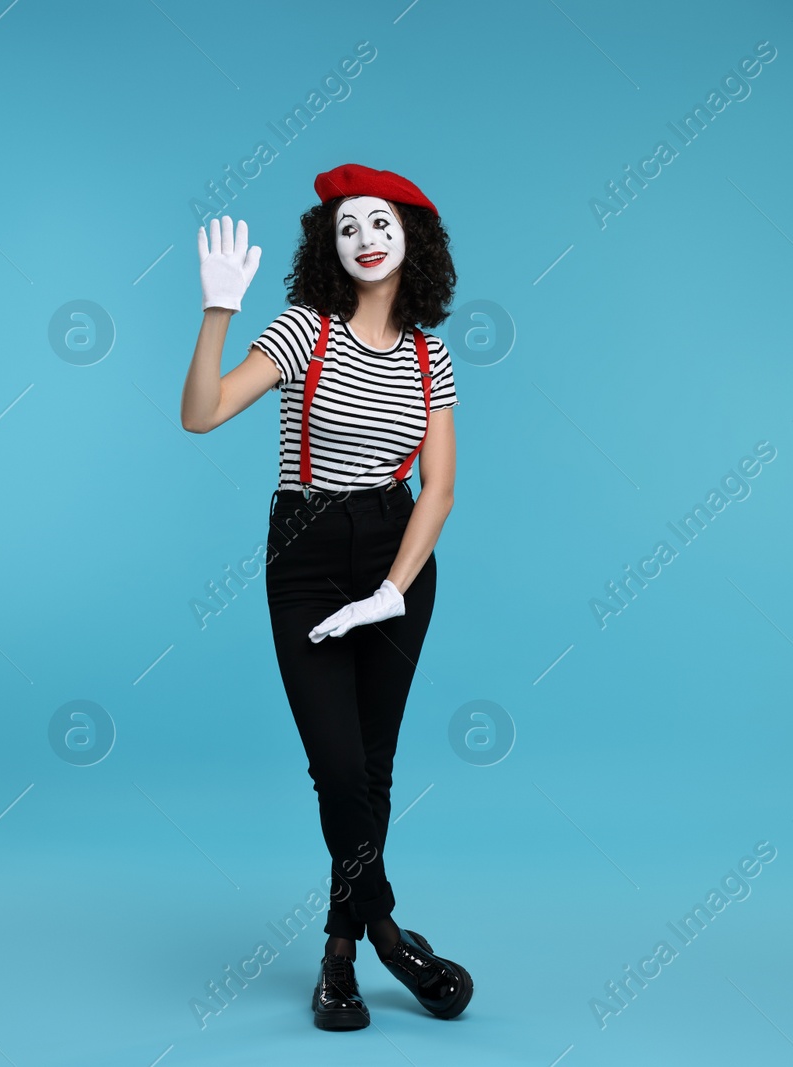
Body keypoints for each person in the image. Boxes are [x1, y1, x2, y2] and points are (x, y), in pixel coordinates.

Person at [179, 163, 473, 1031]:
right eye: (347, 228)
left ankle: (337, 955)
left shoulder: (431, 352)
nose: (366, 238)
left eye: (381, 222)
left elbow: (439, 491)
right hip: (305, 551)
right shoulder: (304, 330)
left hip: (398, 555)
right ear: (330, 249)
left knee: (374, 771)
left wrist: (392, 589)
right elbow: (202, 414)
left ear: (412, 239)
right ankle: (384, 929)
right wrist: (218, 311)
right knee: (337, 767)